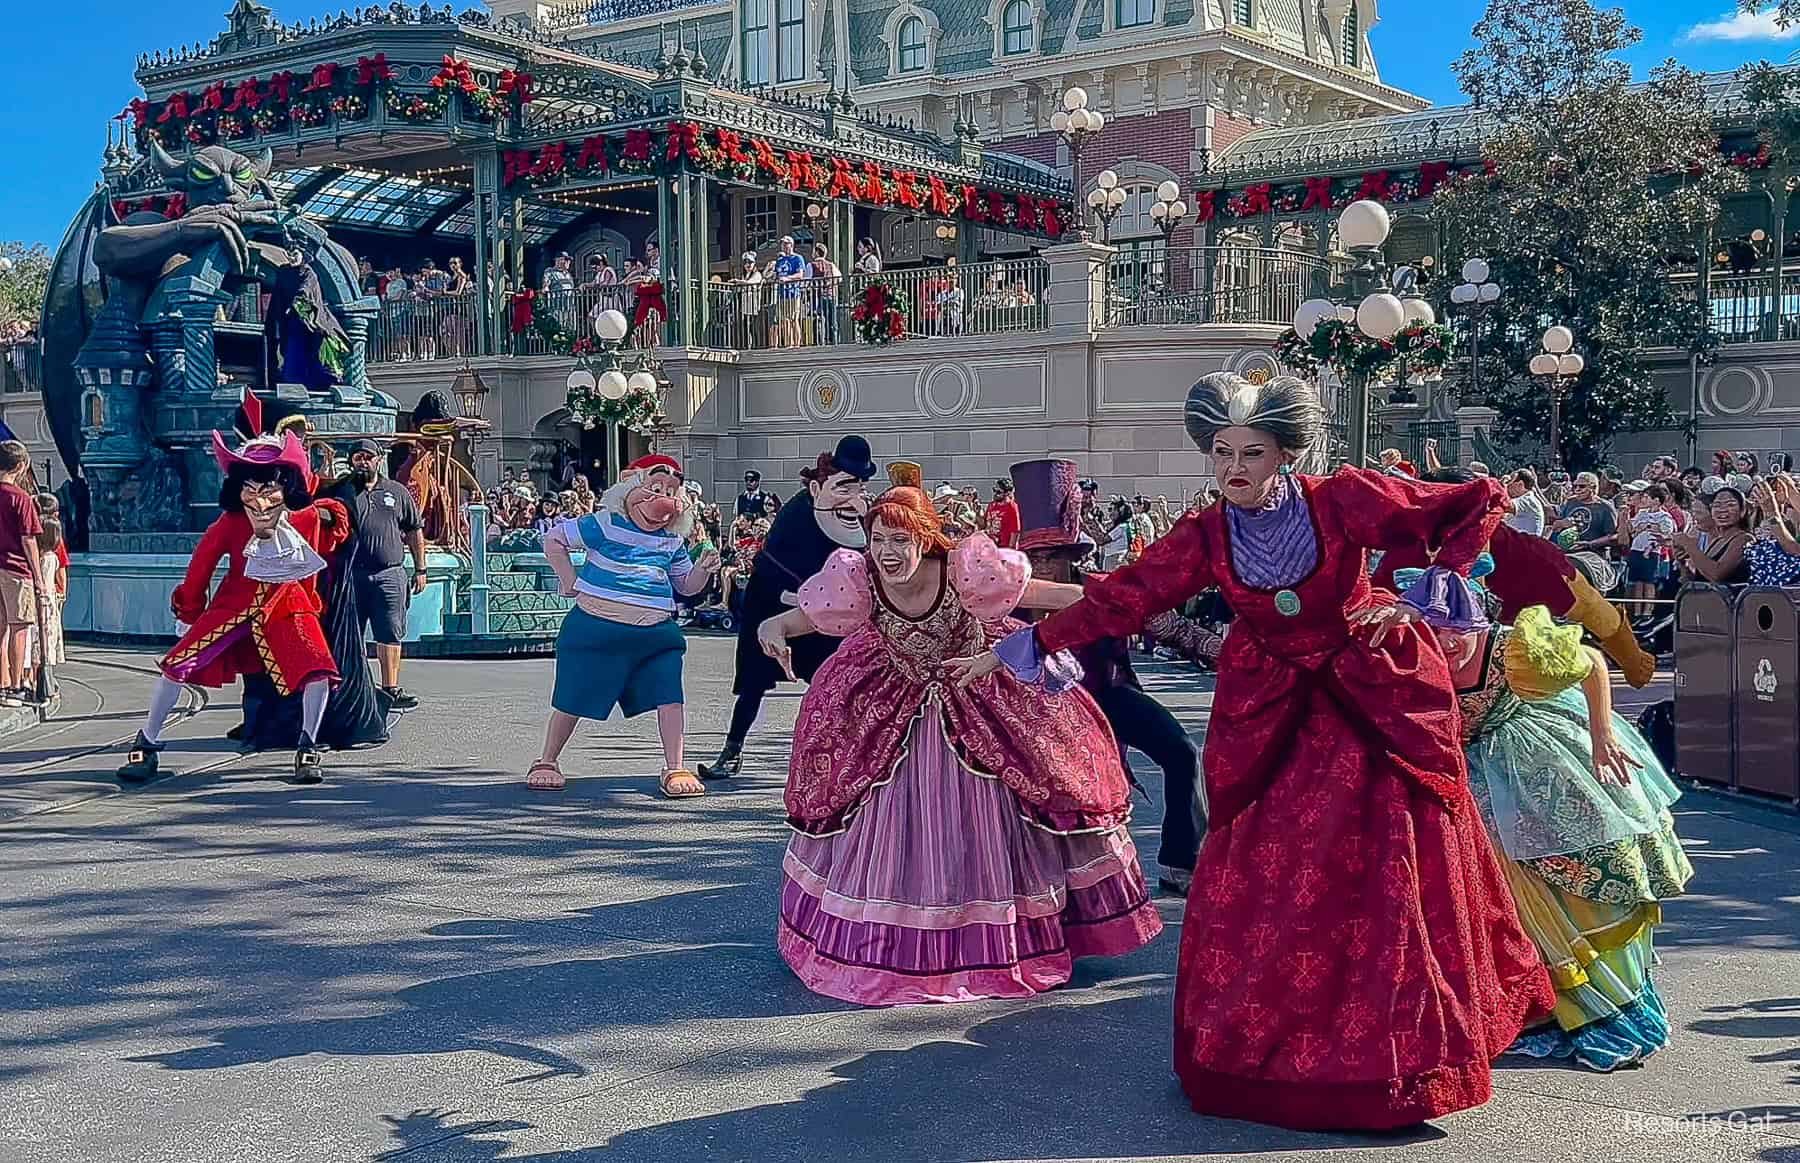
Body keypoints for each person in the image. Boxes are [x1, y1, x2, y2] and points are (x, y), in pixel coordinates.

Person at [949, 372, 1554, 1131]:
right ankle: (1275, 1057)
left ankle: (1395, 1057)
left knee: (1383, 872)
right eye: (1222, 451)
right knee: (1271, 882)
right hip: (1271, 717)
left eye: (1252, 451)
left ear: (1284, 454)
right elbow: (1122, 597)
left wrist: (1425, 590)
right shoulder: (1206, 533)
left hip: (1365, 700)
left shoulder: (1342, 498)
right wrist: (1022, 645)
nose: (1234, 466)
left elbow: (1474, 502)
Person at [760, 486, 1162, 1004]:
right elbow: (814, 617)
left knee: (1026, 795)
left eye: (899, 539)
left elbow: (1038, 593)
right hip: (894, 703)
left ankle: (1010, 939)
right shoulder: (859, 580)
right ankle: (898, 947)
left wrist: (1112, 597)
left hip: (979, 693)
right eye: (878, 538)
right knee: (883, 815)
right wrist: (774, 624)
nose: (887, 551)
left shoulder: (962, 571)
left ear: (924, 540)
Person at [1435, 601, 1692, 1071]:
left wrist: (1602, 734)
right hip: (1473, 778)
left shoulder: (1515, 647)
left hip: (1541, 764)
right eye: (1435, 629)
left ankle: (1606, 1012)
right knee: (1499, 897)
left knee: (1581, 881)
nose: (1447, 641)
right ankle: (1536, 1012)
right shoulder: (1413, 650)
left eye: (1458, 628)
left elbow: (1592, 659)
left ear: (1481, 623)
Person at [1012, 457, 1208, 895]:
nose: (1042, 566)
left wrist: (1217, 648)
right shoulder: (1006, 602)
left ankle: (1182, 859)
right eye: (1035, 556)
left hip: (1108, 694)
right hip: (1036, 714)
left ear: (1069, 556)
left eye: (1051, 556)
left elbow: (1166, 625)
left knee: (1182, 751)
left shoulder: (1103, 590)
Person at [116, 429, 350, 785]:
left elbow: (327, 540)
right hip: (234, 604)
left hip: (288, 606)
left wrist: (331, 517)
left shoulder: (306, 518)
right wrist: (190, 611)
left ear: (285, 485)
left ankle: (308, 746)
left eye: (268, 487)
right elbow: (201, 565)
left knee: (318, 669)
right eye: (250, 488)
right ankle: (146, 742)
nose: (259, 499)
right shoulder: (230, 523)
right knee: (177, 665)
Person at [526, 455, 720, 796]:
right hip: (596, 629)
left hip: (655, 636)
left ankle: (675, 766)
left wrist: (703, 569)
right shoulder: (604, 523)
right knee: (572, 697)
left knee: (670, 697)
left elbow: (686, 586)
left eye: (671, 491)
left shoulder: (672, 541)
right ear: (630, 486)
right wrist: (569, 579)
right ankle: (547, 759)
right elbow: (554, 539)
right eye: (655, 487)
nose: (663, 498)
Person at [700, 437, 878, 780]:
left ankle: (851, 756)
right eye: (847, 483)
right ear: (818, 485)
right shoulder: (796, 512)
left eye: (861, 484)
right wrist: (799, 599)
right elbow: (775, 567)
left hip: (824, 615)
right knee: (753, 684)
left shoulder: (858, 515)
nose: (855, 493)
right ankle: (732, 750)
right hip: (772, 605)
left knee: (835, 682)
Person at [336, 440, 428, 711]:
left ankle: (390, 689)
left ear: (378, 460)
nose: (363, 461)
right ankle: (351, 688)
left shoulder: (396, 491)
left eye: (368, 457)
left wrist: (421, 568)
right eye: (358, 457)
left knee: (390, 631)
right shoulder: (342, 491)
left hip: (390, 573)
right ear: (351, 461)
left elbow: (414, 530)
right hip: (351, 575)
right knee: (349, 633)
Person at [0, 441, 47, 708]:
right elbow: (29, 540)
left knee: (0, 628)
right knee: (19, 628)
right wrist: (39, 579)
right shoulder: (21, 499)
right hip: (16, 569)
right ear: (20, 466)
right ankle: (16, 687)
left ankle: (2, 683)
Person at [1672, 485, 1750, 585]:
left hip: (1730, 599)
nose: (1723, 510)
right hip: (1706, 599)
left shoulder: (1744, 539)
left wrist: (1688, 544)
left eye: (1730, 505)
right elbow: (1698, 579)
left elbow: (1716, 575)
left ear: (1742, 511)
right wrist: (1682, 562)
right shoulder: (1717, 541)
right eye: (1717, 505)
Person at [1553, 471, 1618, 556]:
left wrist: (1590, 544)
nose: (1577, 489)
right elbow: (1555, 527)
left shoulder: (1605, 507)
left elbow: (1613, 536)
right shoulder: (1570, 502)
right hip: (1569, 554)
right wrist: (1560, 524)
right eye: (1575, 486)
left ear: (1593, 487)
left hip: (1594, 557)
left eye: (1582, 486)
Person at [772, 236, 809, 348]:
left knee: (794, 319)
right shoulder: (780, 260)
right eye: (782, 244)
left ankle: (796, 344)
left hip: (793, 292)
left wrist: (787, 278)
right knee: (784, 320)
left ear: (791, 245)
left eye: (786, 243)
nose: (783, 246)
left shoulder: (798, 258)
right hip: (781, 294)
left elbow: (800, 274)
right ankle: (789, 343)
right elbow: (776, 275)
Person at [810, 244, 840, 344]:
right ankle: (833, 340)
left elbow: (806, 281)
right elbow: (839, 278)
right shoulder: (831, 265)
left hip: (817, 296)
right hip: (831, 295)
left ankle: (820, 341)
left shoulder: (811, 265)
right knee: (832, 319)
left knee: (818, 318)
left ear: (817, 252)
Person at [1506, 468, 1547, 536]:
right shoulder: (1526, 499)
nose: (1508, 486)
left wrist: (1501, 486)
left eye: (1510, 482)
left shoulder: (1528, 500)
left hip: (1521, 544)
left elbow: (1504, 505)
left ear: (1520, 484)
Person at [983, 478, 1021, 548]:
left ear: (1007, 493)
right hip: (990, 547)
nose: (995, 494)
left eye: (998, 492)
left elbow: (1015, 531)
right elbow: (984, 524)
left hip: (1003, 548)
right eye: (994, 490)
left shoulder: (1012, 507)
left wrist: (1010, 551)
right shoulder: (991, 505)